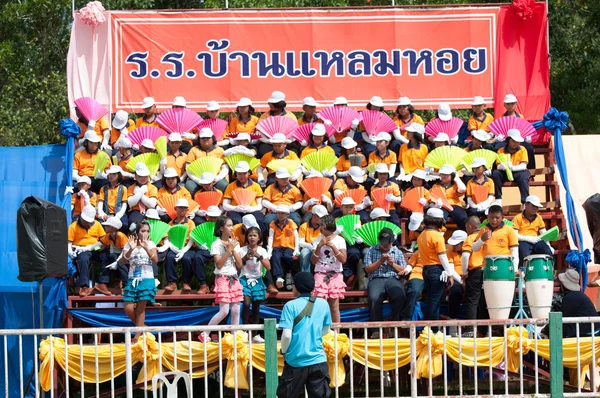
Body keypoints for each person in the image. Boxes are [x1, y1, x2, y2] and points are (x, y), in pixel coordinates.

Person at [278, 272, 332, 398]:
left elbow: (286, 335)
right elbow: (326, 329)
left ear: (296, 286)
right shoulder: (324, 304)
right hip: (318, 359)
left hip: (295, 360)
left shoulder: (290, 306)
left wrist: (284, 351)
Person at [200, 216, 243, 342]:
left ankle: (234, 337)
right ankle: (205, 333)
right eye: (229, 225)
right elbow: (219, 264)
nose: (232, 228)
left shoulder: (236, 243)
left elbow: (240, 264)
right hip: (222, 278)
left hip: (234, 278)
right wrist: (228, 249)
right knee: (224, 311)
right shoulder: (216, 244)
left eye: (232, 225)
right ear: (221, 228)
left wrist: (233, 249)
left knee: (236, 309)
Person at [417, 208, 461, 321]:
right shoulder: (437, 236)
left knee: (432, 300)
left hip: (426, 270)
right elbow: (442, 257)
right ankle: (433, 330)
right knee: (435, 302)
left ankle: (430, 329)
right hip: (436, 270)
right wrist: (450, 274)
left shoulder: (422, 235)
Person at [363, 227, 411, 326]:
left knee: (399, 296)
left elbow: (404, 271)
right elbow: (367, 269)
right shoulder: (371, 250)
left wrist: (392, 264)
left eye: (387, 243)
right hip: (376, 278)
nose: (385, 246)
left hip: (393, 278)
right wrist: (380, 261)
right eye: (383, 243)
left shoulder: (397, 251)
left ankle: (395, 326)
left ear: (392, 242)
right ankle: (376, 329)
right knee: (374, 298)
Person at [120, 220, 158, 342]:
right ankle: (143, 328)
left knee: (141, 309)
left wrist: (146, 248)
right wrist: (131, 249)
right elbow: (122, 262)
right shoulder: (129, 244)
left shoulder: (151, 244)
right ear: (137, 232)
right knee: (128, 308)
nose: (145, 233)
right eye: (143, 231)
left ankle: (137, 336)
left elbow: (156, 260)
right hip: (132, 279)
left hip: (147, 279)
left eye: (147, 231)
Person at [311, 215, 347, 323]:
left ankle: (336, 332)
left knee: (334, 306)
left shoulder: (340, 240)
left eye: (321, 225)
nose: (320, 227)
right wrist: (319, 247)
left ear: (327, 225)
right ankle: (321, 331)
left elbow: (343, 259)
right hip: (320, 273)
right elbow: (313, 261)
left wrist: (333, 247)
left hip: (335, 274)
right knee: (321, 305)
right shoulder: (317, 240)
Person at [240, 226, 271, 343]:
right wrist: (245, 257)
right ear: (247, 237)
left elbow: (268, 267)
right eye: (250, 235)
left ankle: (256, 334)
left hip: (257, 279)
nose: (252, 237)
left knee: (257, 307)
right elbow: (237, 265)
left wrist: (259, 256)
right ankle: (244, 331)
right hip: (244, 279)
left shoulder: (262, 250)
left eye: (254, 235)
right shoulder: (242, 249)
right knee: (246, 304)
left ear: (259, 238)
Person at [68, 205, 106, 297]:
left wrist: (102, 246)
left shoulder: (97, 224)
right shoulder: (73, 226)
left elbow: (104, 239)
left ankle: (103, 283)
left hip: (95, 248)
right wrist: (70, 252)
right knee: (83, 258)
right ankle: (84, 286)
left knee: (108, 256)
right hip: (81, 249)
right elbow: (69, 242)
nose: (86, 223)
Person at [163, 199, 198, 293]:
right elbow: (167, 237)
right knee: (169, 257)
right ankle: (172, 282)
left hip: (188, 247)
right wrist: (171, 246)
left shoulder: (190, 223)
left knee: (187, 259)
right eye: (180, 207)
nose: (182, 210)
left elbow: (192, 237)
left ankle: (186, 282)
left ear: (187, 210)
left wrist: (184, 249)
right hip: (174, 247)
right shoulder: (170, 223)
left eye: (185, 208)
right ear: (175, 209)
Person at [460, 216, 487, 336]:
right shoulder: (487, 235)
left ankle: (470, 329)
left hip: (475, 271)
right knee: (485, 301)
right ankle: (484, 330)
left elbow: (465, 256)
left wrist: (464, 273)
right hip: (488, 271)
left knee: (472, 301)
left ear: (469, 227)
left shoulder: (470, 238)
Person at [491, 129, 530, 206]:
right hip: (505, 173)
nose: (516, 143)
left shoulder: (523, 149)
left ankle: (525, 202)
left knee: (524, 177)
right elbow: (498, 165)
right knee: (496, 173)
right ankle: (498, 199)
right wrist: (502, 167)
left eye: (517, 141)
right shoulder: (500, 150)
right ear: (508, 140)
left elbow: (524, 165)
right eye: (514, 141)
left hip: (519, 172)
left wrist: (513, 168)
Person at [222, 161, 265, 231]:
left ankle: (259, 240)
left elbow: (260, 205)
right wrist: (236, 208)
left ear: (249, 173)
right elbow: (225, 205)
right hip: (235, 211)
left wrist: (251, 209)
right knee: (235, 220)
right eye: (239, 174)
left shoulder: (256, 186)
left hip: (252, 210)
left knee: (259, 220)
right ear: (236, 174)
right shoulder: (231, 186)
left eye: (244, 173)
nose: (242, 176)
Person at [557, 269, 599, 337]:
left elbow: (560, 319)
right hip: (592, 329)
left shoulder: (570, 297)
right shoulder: (577, 295)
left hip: (588, 333)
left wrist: (546, 329)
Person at [185, 128, 229, 192]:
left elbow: (225, 167)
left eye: (208, 137)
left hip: (215, 178)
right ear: (199, 140)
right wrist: (197, 180)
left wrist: (218, 178)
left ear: (213, 139)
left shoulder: (219, 150)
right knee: (190, 186)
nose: (205, 139)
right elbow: (188, 168)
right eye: (203, 138)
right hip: (197, 178)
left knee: (224, 185)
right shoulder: (193, 150)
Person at [513, 195, 553, 263]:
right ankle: (524, 271)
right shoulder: (518, 218)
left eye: (536, 207)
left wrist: (548, 245)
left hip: (536, 240)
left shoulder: (539, 217)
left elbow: (543, 233)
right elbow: (514, 235)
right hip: (523, 241)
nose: (535, 209)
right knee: (524, 253)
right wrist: (528, 238)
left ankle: (549, 270)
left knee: (547, 251)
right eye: (533, 206)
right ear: (526, 204)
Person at [267, 205, 300, 290]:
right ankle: (279, 277)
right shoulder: (273, 224)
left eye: (282, 213)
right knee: (275, 256)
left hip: (289, 246)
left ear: (287, 214)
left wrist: (296, 249)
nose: (280, 215)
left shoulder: (291, 223)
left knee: (288, 257)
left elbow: (296, 236)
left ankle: (288, 273)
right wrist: (269, 250)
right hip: (277, 246)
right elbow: (271, 237)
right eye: (278, 213)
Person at [96, 216, 128, 295]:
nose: (105, 227)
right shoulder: (108, 236)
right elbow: (101, 244)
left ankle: (126, 285)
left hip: (126, 257)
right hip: (115, 256)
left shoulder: (121, 236)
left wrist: (117, 261)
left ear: (113, 228)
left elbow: (125, 251)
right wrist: (90, 248)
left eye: (107, 226)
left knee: (120, 263)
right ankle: (102, 283)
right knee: (108, 257)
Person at [433, 164, 467, 231]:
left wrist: (456, 178)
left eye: (446, 174)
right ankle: (440, 234)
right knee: (440, 217)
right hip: (442, 206)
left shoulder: (455, 185)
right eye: (442, 174)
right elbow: (432, 198)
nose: (443, 176)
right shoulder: (436, 185)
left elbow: (462, 189)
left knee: (462, 217)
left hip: (455, 205)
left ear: (452, 175)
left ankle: (463, 234)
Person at [446, 230, 468, 329]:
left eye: (456, 244)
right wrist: (461, 281)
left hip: (470, 276)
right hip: (456, 277)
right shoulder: (450, 251)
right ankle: (453, 320)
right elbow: (451, 269)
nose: (454, 246)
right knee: (455, 290)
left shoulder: (470, 250)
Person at [97, 166, 129, 230]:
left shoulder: (123, 188)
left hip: (118, 214)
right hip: (106, 214)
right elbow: (100, 202)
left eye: (114, 174)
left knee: (124, 226)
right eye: (110, 174)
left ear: (118, 175)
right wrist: (102, 214)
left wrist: (119, 215)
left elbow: (124, 204)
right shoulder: (103, 188)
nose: (111, 176)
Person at [298, 205, 326, 273]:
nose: (321, 219)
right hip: (308, 247)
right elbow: (301, 242)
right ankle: (306, 276)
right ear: (313, 215)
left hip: (321, 247)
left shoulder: (324, 226)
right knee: (304, 253)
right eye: (319, 217)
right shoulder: (304, 226)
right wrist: (311, 246)